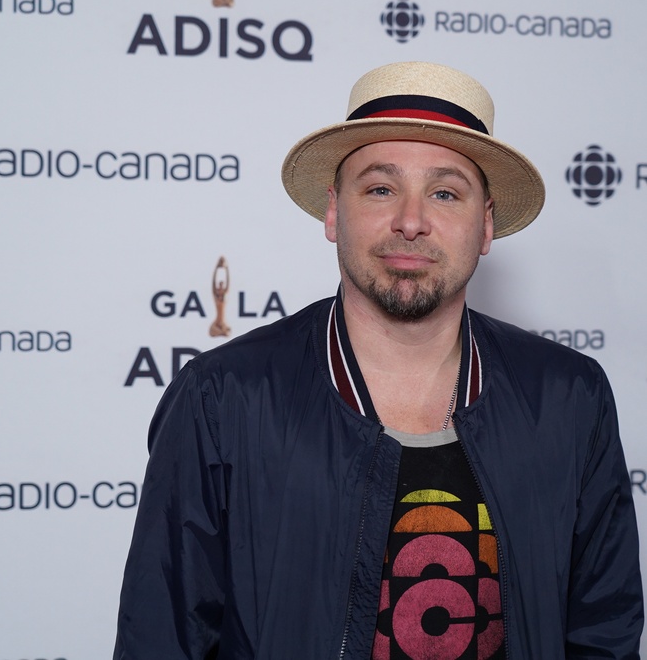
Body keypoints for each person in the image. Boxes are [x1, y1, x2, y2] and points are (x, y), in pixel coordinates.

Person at [113, 62, 643, 659]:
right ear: (334, 212)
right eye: (381, 189)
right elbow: (161, 640)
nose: (411, 222)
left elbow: (605, 632)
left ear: (485, 224)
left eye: (445, 193)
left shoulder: (569, 396)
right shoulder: (222, 397)